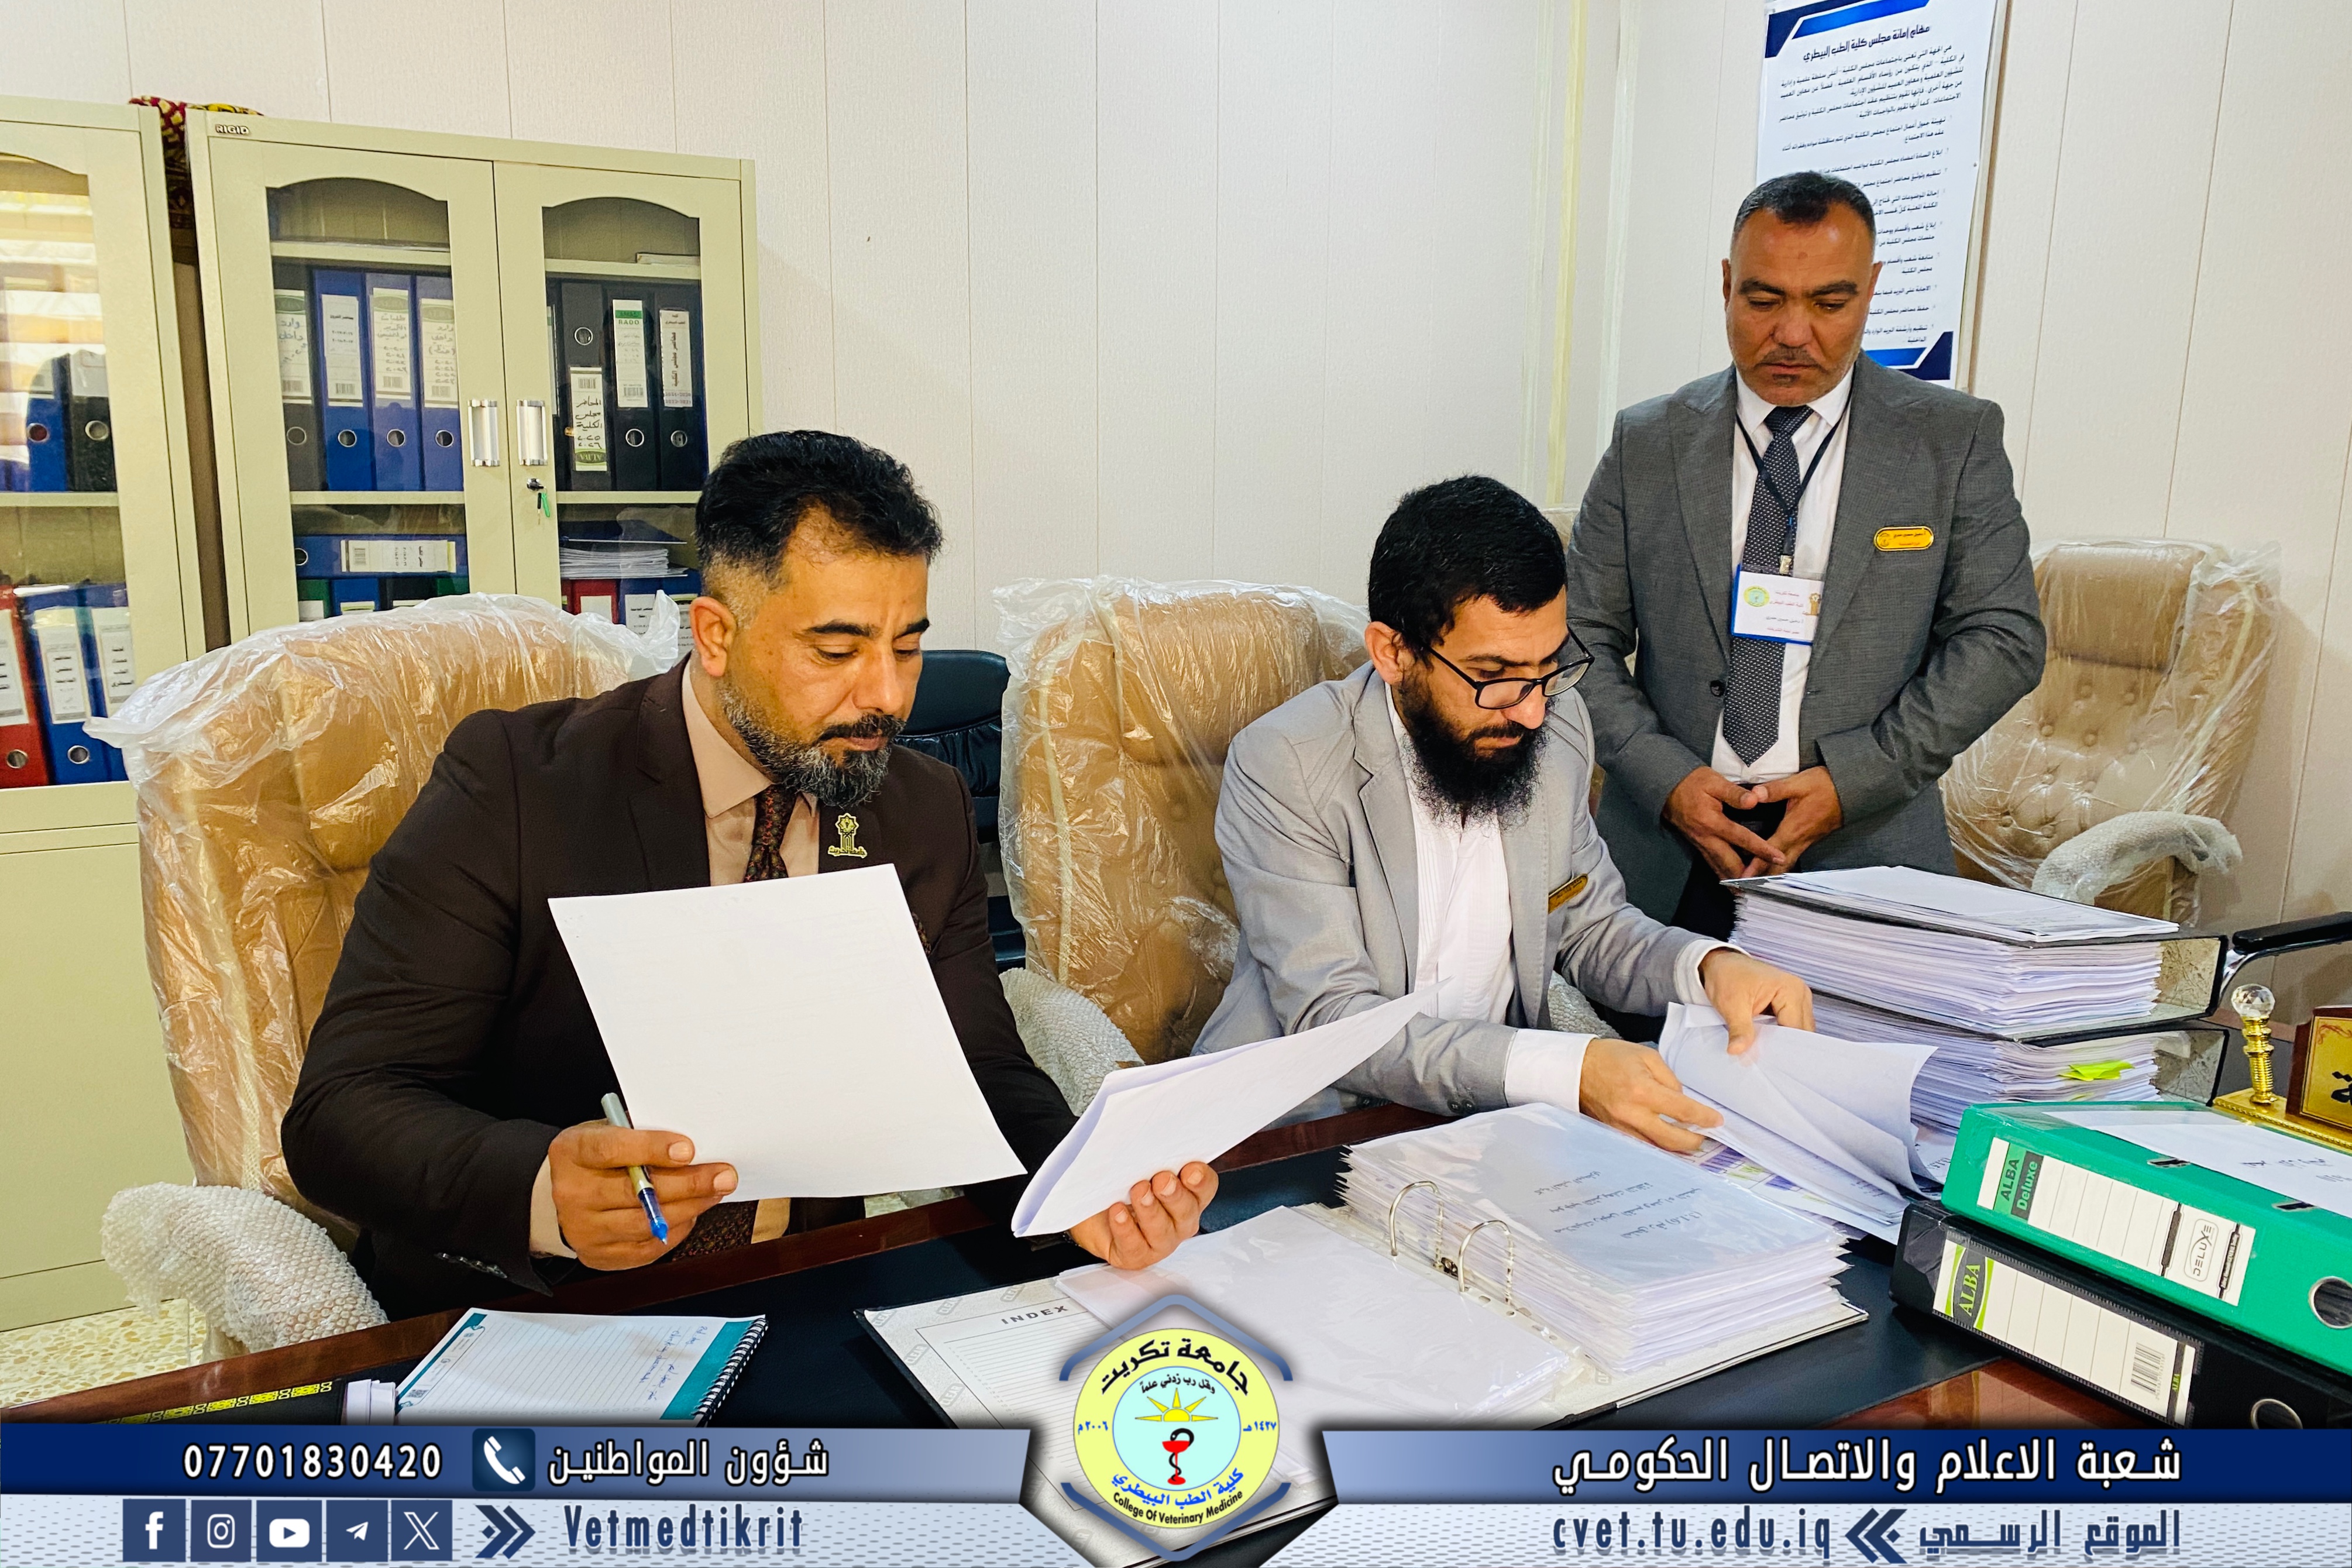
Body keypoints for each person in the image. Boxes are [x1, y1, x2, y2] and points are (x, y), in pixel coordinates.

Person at [284, 431, 1213, 1318]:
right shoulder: (520, 784)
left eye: (907, 646)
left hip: (804, 1284)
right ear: (716, 635)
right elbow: (342, 1112)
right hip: (551, 1308)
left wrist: (1078, 1190)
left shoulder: (916, 805)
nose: (888, 696)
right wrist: (542, 1190)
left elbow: (976, 1065)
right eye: (837, 652)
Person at [1191, 476, 1813, 1151]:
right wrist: (1567, 1070)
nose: (1533, 711)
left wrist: (1708, 967)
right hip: (1297, 1132)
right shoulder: (1288, 761)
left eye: (1548, 667)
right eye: (1495, 677)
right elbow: (1337, 1022)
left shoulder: (1558, 726)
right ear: (1393, 653)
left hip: (1480, 1128)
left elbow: (1590, 925)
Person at [1566, 171, 2045, 939]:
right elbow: (1577, 636)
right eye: (1764, 300)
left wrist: (1857, 779)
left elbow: (2004, 638)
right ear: (1727, 285)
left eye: (1829, 303)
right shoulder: (1647, 443)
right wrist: (1666, 777)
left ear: (1871, 290)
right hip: (1664, 858)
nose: (1793, 334)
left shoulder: (1950, 441)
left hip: (1869, 853)